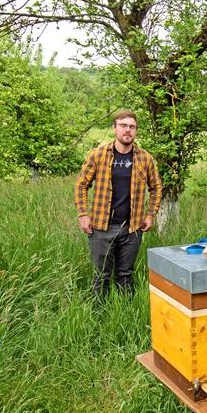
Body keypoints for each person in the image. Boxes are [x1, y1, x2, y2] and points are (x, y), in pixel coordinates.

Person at [74, 109, 162, 295]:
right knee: (101, 275)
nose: (127, 130)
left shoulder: (145, 158)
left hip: (132, 228)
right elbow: (81, 185)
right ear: (114, 128)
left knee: (125, 274)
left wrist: (150, 214)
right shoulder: (98, 155)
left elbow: (156, 187)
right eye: (123, 126)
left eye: (132, 127)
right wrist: (83, 214)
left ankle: (124, 312)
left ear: (136, 131)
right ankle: (98, 316)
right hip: (101, 227)